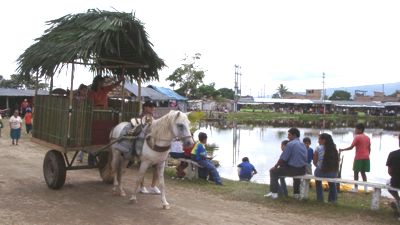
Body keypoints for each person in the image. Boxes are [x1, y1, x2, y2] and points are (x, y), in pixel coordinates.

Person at [266, 127, 307, 199]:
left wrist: (275, 166)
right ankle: (296, 194)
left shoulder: (290, 144)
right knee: (294, 171)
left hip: (293, 170)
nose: (288, 137)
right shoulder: (303, 144)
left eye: (289, 135)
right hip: (302, 170)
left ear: (294, 135)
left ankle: (274, 193)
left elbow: (283, 158)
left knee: (273, 171)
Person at [138, 100, 161, 195]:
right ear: (145, 107)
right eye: (151, 107)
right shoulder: (141, 117)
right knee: (142, 165)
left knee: (158, 165)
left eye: (154, 107)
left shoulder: (153, 117)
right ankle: (141, 186)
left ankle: (153, 186)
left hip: (152, 142)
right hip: (142, 142)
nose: (153, 109)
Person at [339, 123, 371, 192]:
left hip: (359, 157)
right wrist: (368, 155)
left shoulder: (357, 137)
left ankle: (356, 188)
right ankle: (366, 189)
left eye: (356, 129)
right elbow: (369, 148)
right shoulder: (367, 137)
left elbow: (351, 147)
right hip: (367, 157)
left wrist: (342, 149)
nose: (355, 130)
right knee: (363, 172)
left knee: (356, 172)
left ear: (360, 130)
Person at [313, 133, 339, 203]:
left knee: (318, 181)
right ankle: (333, 200)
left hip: (321, 172)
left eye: (319, 139)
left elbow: (314, 162)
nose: (318, 141)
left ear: (323, 140)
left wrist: (319, 167)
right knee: (332, 183)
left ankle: (320, 199)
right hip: (333, 173)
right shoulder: (334, 148)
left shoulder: (318, 148)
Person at [386, 134, 400, 216]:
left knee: (388, 183)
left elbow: (390, 172)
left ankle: (398, 200)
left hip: (396, 182)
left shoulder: (392, 154)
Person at [75, 84, 88, 163]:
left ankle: (81, 155)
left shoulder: (86, 99)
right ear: (80, 90)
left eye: (86, 91)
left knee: (84, 137)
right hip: (78, 119)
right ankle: (80, 155)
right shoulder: (76, 99)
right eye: (84, 90)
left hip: (85, 119)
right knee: (80, 137)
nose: (85, 92)